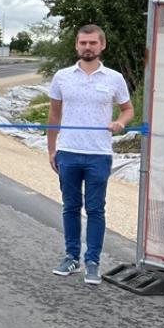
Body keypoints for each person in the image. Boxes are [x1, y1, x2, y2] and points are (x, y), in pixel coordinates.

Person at [48, 24, 133, 285]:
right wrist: (52, 149)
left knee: (95, 209)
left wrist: (121, 123)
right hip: (69, 151)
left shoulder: (114, 78)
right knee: (71, 207)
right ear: (76, 45)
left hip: (98, 153)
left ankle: (92, 261)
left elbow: (127, 109)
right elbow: (54, 114)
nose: (87, 47)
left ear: (102, 45)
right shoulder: (62, 76)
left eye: (92, 43)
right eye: (83, 43)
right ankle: (71, 256)